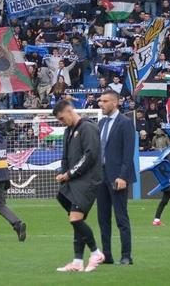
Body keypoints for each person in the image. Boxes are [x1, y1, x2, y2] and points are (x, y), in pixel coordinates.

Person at [52, 99, 105, 273]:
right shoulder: (68, 131)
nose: (61, 122)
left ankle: (96, 252)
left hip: (88, 181)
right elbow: (65, 157)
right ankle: (77, 261)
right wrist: (63, 173)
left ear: (70, 111)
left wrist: (69, 174)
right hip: (74, 181)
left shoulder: (88, 128)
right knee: (77, 221)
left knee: (75, 219)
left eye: (61, 118)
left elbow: (90, 156)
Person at [95, 89, 136, 265]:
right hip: (101, 176)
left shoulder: (125, 123)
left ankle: (126, 255)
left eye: (104, 101)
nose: (101, 104)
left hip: (117, 177)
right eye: (100, 101)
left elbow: (128, 154)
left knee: (121, 217)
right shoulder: (101, 123)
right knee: (103, 218)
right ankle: (107, 255)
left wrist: (122, 177)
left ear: (115, 103)